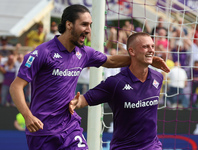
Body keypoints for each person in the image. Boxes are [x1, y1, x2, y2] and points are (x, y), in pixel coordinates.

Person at [9, 5, 169, 150]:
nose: (89, 30)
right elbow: (15, 86)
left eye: (90, 25)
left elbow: (111, 60)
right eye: (84, 24)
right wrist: (28, 116)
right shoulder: (43, 53)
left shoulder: (84, 52)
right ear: (69, 24)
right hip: (42, 131)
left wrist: (144, 58)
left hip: (70, 127)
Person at [70, 32, 164, 150]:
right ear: (132, 51)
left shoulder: (158, 78)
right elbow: (84, 100)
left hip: (153, 147)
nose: (151, 50)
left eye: (152, 46)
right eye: (145, 47)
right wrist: (75, 102)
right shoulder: (115, 83)